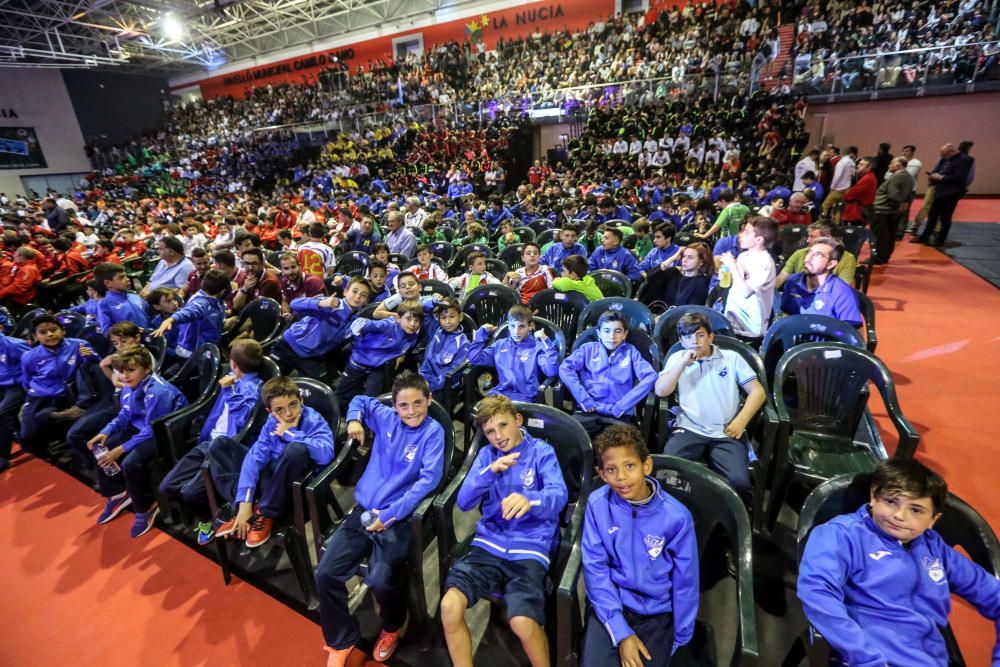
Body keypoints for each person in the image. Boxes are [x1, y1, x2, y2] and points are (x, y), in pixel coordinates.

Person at [797, 458, 1000, 667]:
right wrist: (864, 658)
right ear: (873, 497)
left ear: (933, 519)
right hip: (866, 659)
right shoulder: (841, 534)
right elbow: (818, 592)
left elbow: (994, 595)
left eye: (916, 510)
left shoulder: (934, 547)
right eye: (891, 501)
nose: (899, 516)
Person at [317, 372, 446, 666]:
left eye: (418, 403)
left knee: (379, 579)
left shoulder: (433, 432)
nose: (411, 411)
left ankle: (392, 626)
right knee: (325, 574)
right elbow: (361, 399)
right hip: (362, 512)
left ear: (429, 399)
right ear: (395, 405)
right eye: (403, 405)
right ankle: (340, 639)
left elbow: (428, 481)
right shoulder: (385, 416)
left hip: (397, 519)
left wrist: (389, 516)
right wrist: (353, 420)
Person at [440, 395, 568, 667]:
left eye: (503, 426)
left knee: (522, 621)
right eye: (490, 432)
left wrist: (530, 501)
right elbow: (464, 502)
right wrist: (487, 473)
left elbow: (559, 496)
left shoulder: (541, 452)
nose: (498, 436)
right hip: (489, 543)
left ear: (518, 421)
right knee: (449, 608)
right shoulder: (487, 456)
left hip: (530, 546)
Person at [580, 424, 699, 667]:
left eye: (630, 466)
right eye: (611, 470)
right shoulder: (597, 504)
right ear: (601, 474)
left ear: (647, 465)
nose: (621, 477)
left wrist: (680, 635)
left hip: (658, 613)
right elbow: (595, 569)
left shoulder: (677, 517)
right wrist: (621, 632)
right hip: (611, 604)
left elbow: (686, 580)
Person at [159, 340, 265, 545]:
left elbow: (244, 421)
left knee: (190, 494)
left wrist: (228, 391)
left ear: (233, 363)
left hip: (225, 450)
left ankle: (212, 519)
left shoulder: (254, 389)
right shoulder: (230, 378)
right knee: (167, 486)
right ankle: (212, 508)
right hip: (207, 443)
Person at [213, 376, 335, 548]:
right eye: (279, 409)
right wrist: (244, 501)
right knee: (220, 445)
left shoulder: (313, 420)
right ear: (270, 411)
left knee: (296, 450)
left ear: (301, 399)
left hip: (297, 484)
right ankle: (245, 508)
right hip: (272, 479)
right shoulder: (271, 422)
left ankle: (264, 512)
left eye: (293, 404)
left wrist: (290, 433)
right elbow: (255, 458)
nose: (288, 414)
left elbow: (326, 455)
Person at [654, 313, 765, 499]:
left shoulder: (732, 358)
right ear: (682, 341)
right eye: (688, 337)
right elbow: (661, 391)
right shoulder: (677, 358)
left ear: (710, 336)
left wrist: (741, 421)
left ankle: (725, 520)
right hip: (689, 427)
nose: (695, 341)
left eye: (700, 335)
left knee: (739, 482)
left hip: (726, 430)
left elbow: (758, 392)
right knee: (668, 472)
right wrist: (683, 363)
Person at [88, 346, 187, 537]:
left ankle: (146, 506)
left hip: (165, 433)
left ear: (147, 368)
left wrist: (122, 449)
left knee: (131, 462)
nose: (125, 376)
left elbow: (153, 429)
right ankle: (118, 493)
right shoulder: (128, 387)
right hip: (143, 428)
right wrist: (106, 432)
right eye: (121, 371)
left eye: (131, 370)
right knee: (102, 448)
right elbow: (125, 414)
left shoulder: (158, 392)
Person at [558, 310, 657, 435]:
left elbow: (650, 376)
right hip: (587, 411)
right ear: (599, 333)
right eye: (607, 331)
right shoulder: (587, 349)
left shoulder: (631, 352)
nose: (612, 336)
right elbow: (565, 368)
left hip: (618, 415)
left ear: (625, 334)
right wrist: (583, 399)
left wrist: (623, 406)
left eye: (618, 331)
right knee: (571, 439)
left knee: (621, 448)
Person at [19, 314, 97, 459]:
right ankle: (47, 458)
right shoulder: (29, 356)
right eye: (43, 332)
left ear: (63, 330)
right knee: (27, 435)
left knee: (63, 422)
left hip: (68, 394)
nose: (50, 334)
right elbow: (26, 380)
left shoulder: (79, 345)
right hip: (39, 396)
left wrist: (90, 357)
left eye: (53, 330)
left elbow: (96, 368)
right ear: (35, 336)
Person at [270, 276, 371, 380]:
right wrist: (319, 303)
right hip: (288, 346)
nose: (358, 296)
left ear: (366, 301)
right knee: (270, 382)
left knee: (311, 393)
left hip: (310, 358)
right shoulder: (330, 303)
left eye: (363, 295)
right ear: (345, 291)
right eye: (354, 291)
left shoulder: (357, 322)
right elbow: (294, 304)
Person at [334, 301, 423, 410]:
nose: (413, 324)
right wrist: (358, 326)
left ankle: (366, 423)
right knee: (340, 395)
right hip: (357, 363)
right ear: (398, 318)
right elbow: (371, 324)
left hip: (377, 368)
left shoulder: (412, 338)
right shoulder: (388, 325)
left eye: (416, 320)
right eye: (408, 319)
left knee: (372, 400)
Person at [468, 304, 559, 403]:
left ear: (531, 326)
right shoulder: (500, 345)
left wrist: (547, 343)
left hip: (526, 397)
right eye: (512, 326)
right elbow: (475, 358)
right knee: (483, 414)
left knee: (506, 416)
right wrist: (481, 334)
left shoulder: (537, 347)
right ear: (508, 325)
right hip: (500, 394)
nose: (516, 331)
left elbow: (551, 371)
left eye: (522, 326)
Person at [779, 237, 863, 326]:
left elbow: (852, 332)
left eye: (818, 255)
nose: (809, 258)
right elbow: (786, 313)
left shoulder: (842, 292)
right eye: (809, 252)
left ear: (830, 264)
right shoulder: (793, 281)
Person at [151, 268, 228, 360]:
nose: (174, 303)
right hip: (194, 354)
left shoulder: (216, 301)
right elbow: (188, 312)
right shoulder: (201, 303)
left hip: (206, 348)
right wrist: (171, 319)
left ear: (202, 283)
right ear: (223, 291)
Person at [722, 218, 777, 345]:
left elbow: (746, 292)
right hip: (732, 321)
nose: (740, 235)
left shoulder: (765, 262)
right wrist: (726, 274)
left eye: (746, 232)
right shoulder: (743, 256)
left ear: (759, 240)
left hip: (751, 328)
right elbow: (736, 284)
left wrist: (732, 266)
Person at [913, 143, 975, 247]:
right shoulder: (946, 158)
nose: (943, 157)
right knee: (932, 215)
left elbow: (960, 177)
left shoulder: (965, 159)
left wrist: (941, 177)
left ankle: (940, 240)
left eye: (944, 155)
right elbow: (939, 168)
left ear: (951, 151)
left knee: (945, 217)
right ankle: (924, 237)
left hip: (952, 192)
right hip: (940, 190)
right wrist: (933, 175)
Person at [776, 221, 857, 289]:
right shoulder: (799, 253)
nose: (807, 240)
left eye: (812, 237)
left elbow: (841, 288)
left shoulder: (848, 259)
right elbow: (782, 276)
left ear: (827, 237)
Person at [419, 297, 469, 403]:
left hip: (444, 386)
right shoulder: (436, 329)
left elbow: (453, 373)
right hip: (425, 378)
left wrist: (431, 386)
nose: (447, 321)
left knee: (423, 403)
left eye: (452, 316)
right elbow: (425, 311)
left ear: (460, 317)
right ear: (438, 318)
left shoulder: (463, 343)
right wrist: (433, 302)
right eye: (443, 317)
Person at [0, 311, 31, 472]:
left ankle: (3, 456)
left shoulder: (14, 344)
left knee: (3, 413)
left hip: (18, 385)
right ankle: (17, 434)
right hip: (3, 386)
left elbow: (34, 363)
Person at [871, 157, 915, 263]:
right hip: (893, 211)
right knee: (890, 236)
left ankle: (878, 258)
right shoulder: (909, 177)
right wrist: (903, 205)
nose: (889, 165)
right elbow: (909, 195)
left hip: (884, 210)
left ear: (898, 166)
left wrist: (897, 203)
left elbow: (893, 194)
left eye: (891, 163)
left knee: (881, 236)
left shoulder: (897, 177)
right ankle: (884, 257)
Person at [92, 262, 149, 333]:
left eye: (126, 276)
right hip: (129, 342)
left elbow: (150, 316)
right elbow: (107, 331)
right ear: (108, 283)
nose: (127, 279)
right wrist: (127, 332)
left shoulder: (134, 296)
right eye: (121, 277)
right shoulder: (104, 304)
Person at [277, 252, 325, 318]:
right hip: (297, 320)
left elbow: (319, 308)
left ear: (299, 266)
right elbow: (285, 300)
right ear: (281, 269)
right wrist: (287, 313)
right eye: (286, 268)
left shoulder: (313, 282)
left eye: (293, 267)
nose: (290, 272)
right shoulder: (285, 281)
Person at [841, 158, 877, 225]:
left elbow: (849, 195)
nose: (857, 166)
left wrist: (846, 195)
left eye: (861, 164)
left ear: (869, 167)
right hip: (860, 212)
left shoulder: (867, 178)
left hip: (857, 213)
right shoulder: (868, 177)